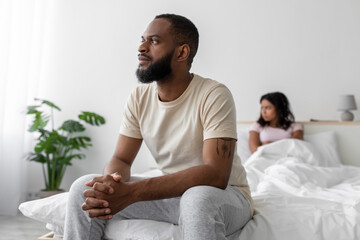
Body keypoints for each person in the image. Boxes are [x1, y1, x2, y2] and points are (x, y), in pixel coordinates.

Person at [63, 14, 253, 240]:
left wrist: (133, 192)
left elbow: (216, 175)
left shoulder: (214, 94)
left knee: (197, 199)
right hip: (172, 196)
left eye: (153, 41)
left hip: (224, 196)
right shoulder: (139, 97)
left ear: (182, 53)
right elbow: (122, 160)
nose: (141, 48)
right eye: (142, 40)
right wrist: (111, 184)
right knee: (81, 190)